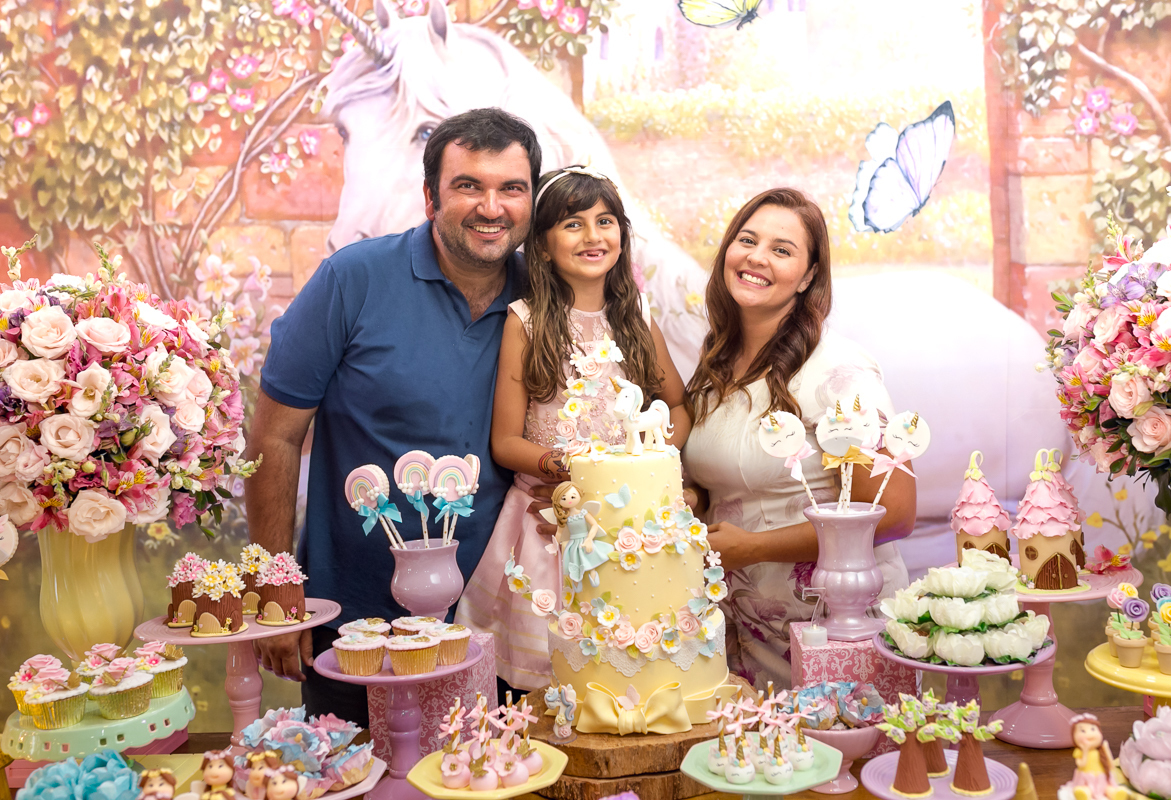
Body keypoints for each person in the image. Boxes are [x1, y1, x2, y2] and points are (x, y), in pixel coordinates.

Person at [246, 108, 541, 723]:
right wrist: (274, 586)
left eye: (511, 188)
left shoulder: (547, 297)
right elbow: (274, 437)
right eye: (469, 186)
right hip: (360, 625)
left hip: (505, 623)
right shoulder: (351, 281)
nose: (492, 207)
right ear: (431, 195)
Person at [455, 167, 689, 689]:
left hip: (626, 524)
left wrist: (648, 462)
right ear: (540, 246)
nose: (593, 236)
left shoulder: (637, 319)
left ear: (622, 235)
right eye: (573, 224)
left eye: (605, 221)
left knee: (625, 665)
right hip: (548, 527)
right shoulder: (527, 321)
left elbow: (678, 406)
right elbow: (505, 441)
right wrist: (565, 469)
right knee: (552, 680)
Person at [681, 187, 916, 690]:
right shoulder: (716, 361)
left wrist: (755, 547)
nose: (756, 257)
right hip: (745, 633)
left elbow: (894, 512)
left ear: (809, 276)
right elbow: (724, 477)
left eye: (782, 250)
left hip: (834, 632)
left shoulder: (838, 373)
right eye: (747, 240)